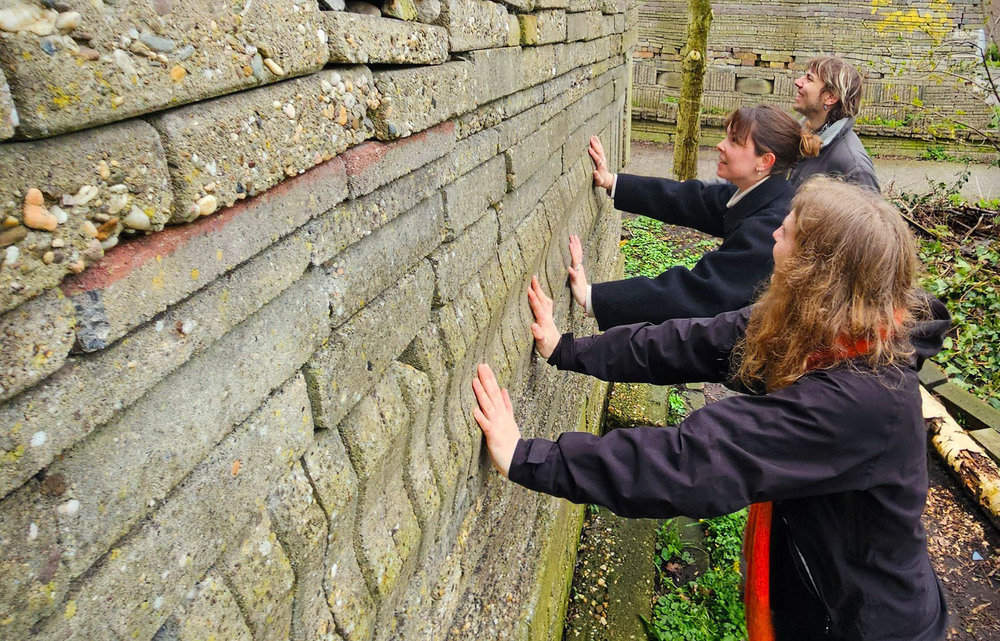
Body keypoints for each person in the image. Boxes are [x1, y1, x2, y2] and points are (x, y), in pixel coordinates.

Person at [472, 178, 950, 640]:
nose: (774, 234)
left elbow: (695, 461)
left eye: (788, 231)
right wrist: (567, 350)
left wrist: (527, 457)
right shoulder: (821, 326)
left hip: (860, 622)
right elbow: (693, 342)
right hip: (815, 585)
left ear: (816, 272)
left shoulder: (862, 400)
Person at [577, 104, 819, 330]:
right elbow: (688, 199)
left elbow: (697, 292)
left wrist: (592, 297)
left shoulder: (768, 230)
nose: (721, 145)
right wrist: (612, 181)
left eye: (734, 141)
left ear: (765, 161)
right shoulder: (762, 193)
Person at [789, 55, 879, 191]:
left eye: (809, 79)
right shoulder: (800, 137)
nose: (797, 82)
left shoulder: (853, 166)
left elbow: (871, 211)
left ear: (830, 97)